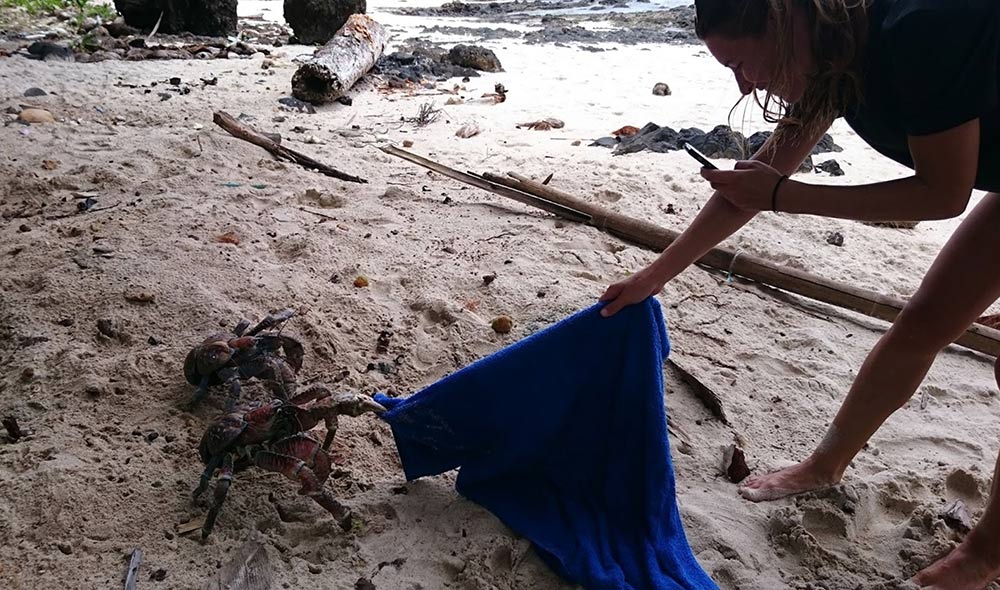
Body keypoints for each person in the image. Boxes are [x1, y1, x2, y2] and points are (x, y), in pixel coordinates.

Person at [598, 0, 1000, 588]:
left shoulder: (922, 28)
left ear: (784, 18)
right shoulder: (833, 55)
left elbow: (943, 193)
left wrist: (788, 196)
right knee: (922, 325)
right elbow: (751, 184)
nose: (744, 84)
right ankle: (824, 465)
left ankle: (984, 555)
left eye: (740, 62)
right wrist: (650, 279)